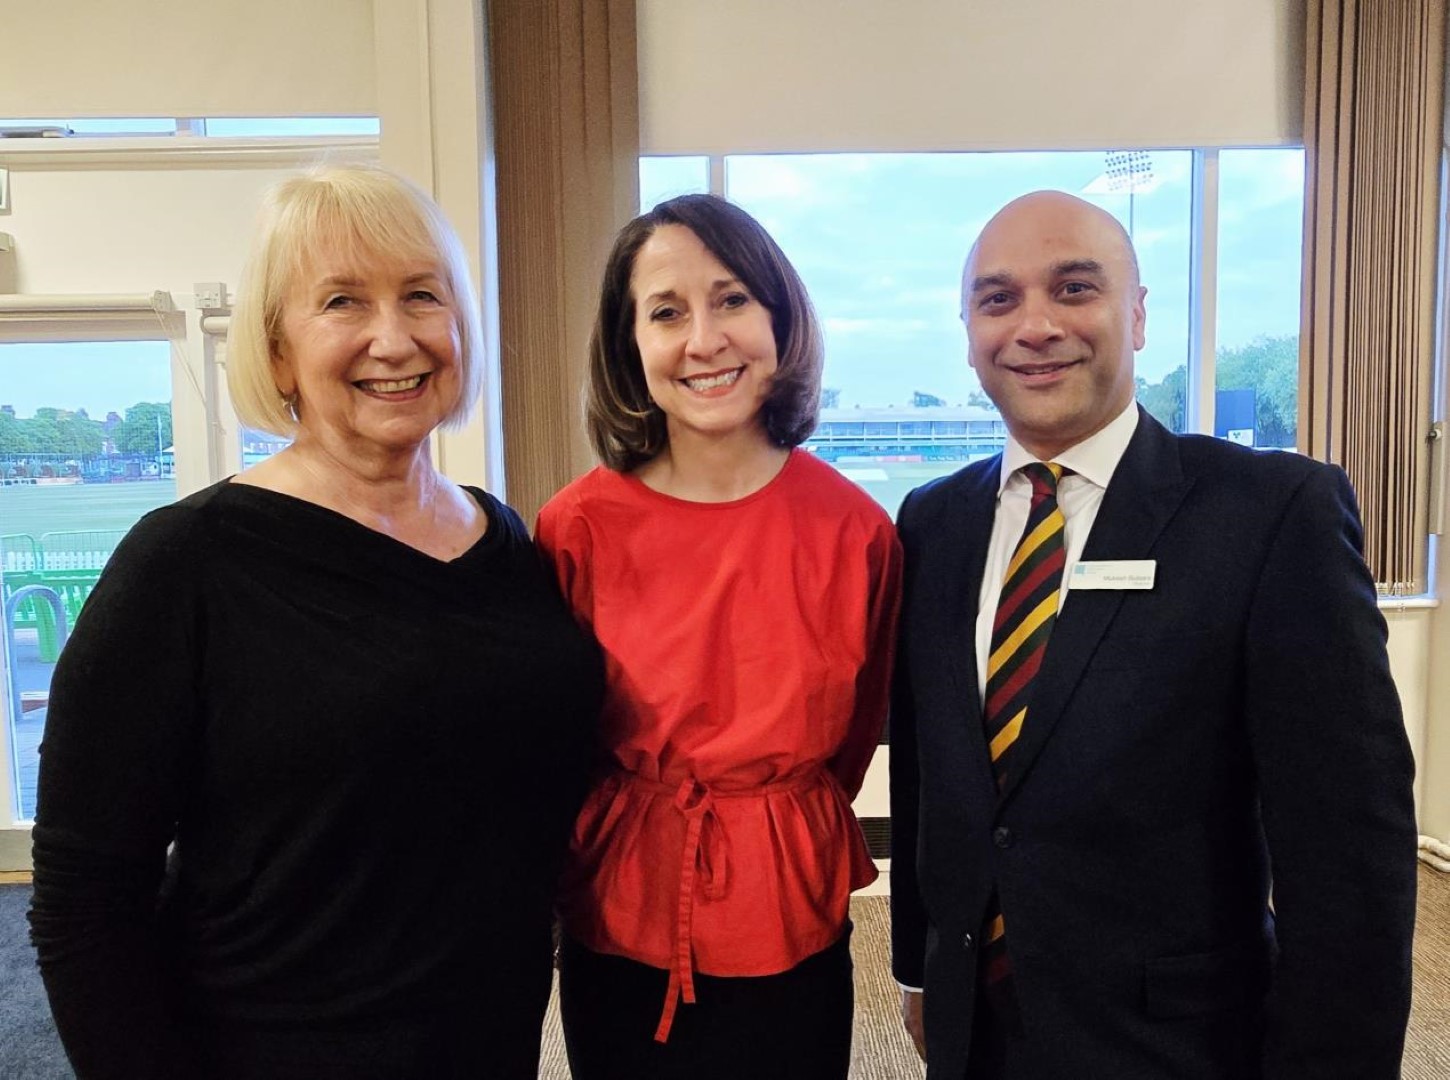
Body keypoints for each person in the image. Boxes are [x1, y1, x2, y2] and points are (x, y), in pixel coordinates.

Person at [28, 164, 603, 1079]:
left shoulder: (504, 541)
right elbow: (82, 901)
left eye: (422, 295)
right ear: (279, 350)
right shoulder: (186, 562)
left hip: (487, 1044)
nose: (395, 336)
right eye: (342, 301)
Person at [889, 190, 1417, 1078]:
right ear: (970, 331)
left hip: (1180, 1043)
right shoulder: (933, 522)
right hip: (977, 1031)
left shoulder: (1270, 515)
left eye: (1075, 288)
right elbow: (927, 777)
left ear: (1135, 316)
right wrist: (919, 970)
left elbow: (1349, 860)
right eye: (998, 298)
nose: (1035, 325)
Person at [534, 193, 902, 1080]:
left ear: (780, 317)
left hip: (788, 899)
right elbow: (556, 738)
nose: (704, 339)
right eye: (666, 312)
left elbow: (855, 738)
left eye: (732, 299)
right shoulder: (574, 527)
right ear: (630, 345)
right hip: (624, 901)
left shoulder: (857, 531)